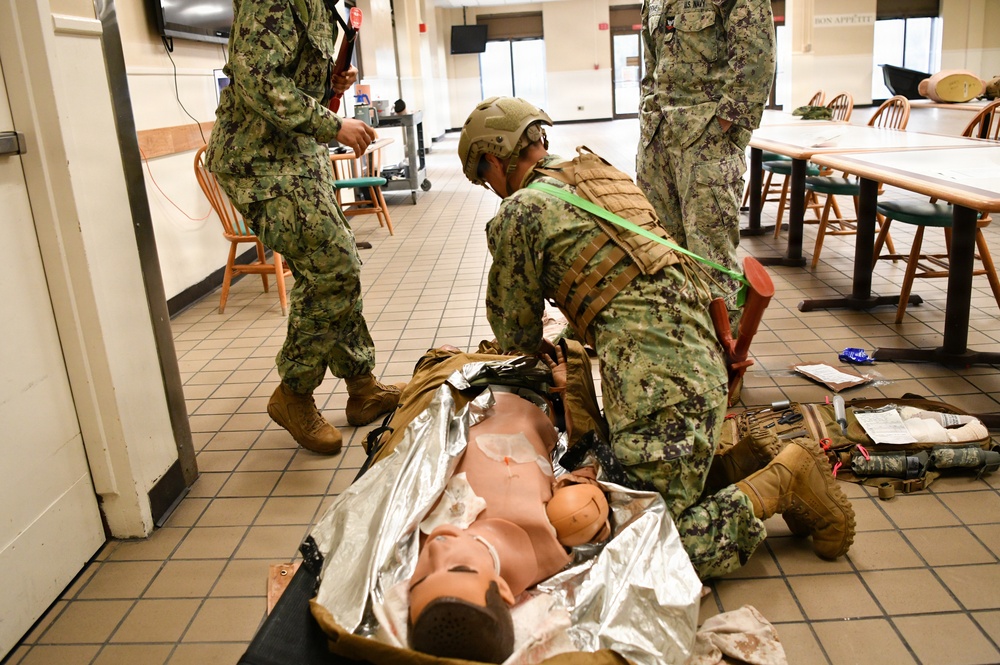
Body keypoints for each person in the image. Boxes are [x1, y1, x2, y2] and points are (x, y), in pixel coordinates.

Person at [456, 96, 854, 580]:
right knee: (629, 484)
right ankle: (741, 463)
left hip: (661, 384)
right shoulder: (593, 172)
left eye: (484, 177)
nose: (490, 188)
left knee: (643, 548)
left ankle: (784, 480)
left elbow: (514, 330)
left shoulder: (519, 212)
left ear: (494, 159)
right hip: (699, 352)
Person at [206, 0, 402, 455]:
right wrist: (332, 123)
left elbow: (288, 75)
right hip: (258, 161)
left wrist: (329, 84)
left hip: (295, 157)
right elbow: (257, 78)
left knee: (338, 265)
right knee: (333, 268)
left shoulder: (320, 5)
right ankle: (293, 394)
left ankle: (361, 386)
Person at [407, 346, 610, 662]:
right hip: (532, 396)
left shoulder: (419, 539)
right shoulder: (549, 534)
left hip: (457, 389)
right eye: (458, 568)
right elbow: (587, 452)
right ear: (504, 591)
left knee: (436, 360)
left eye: (419, 580)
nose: (434, 551)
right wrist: (566, 391)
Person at [636, 0, 776, 328]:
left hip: (705, 141)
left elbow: (757, 58)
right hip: (657, 141)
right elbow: (651, 63)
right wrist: (647, 110)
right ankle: (682, 348)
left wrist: (722, 126)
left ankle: (726, 359)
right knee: (661, 251)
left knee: (711, 259)